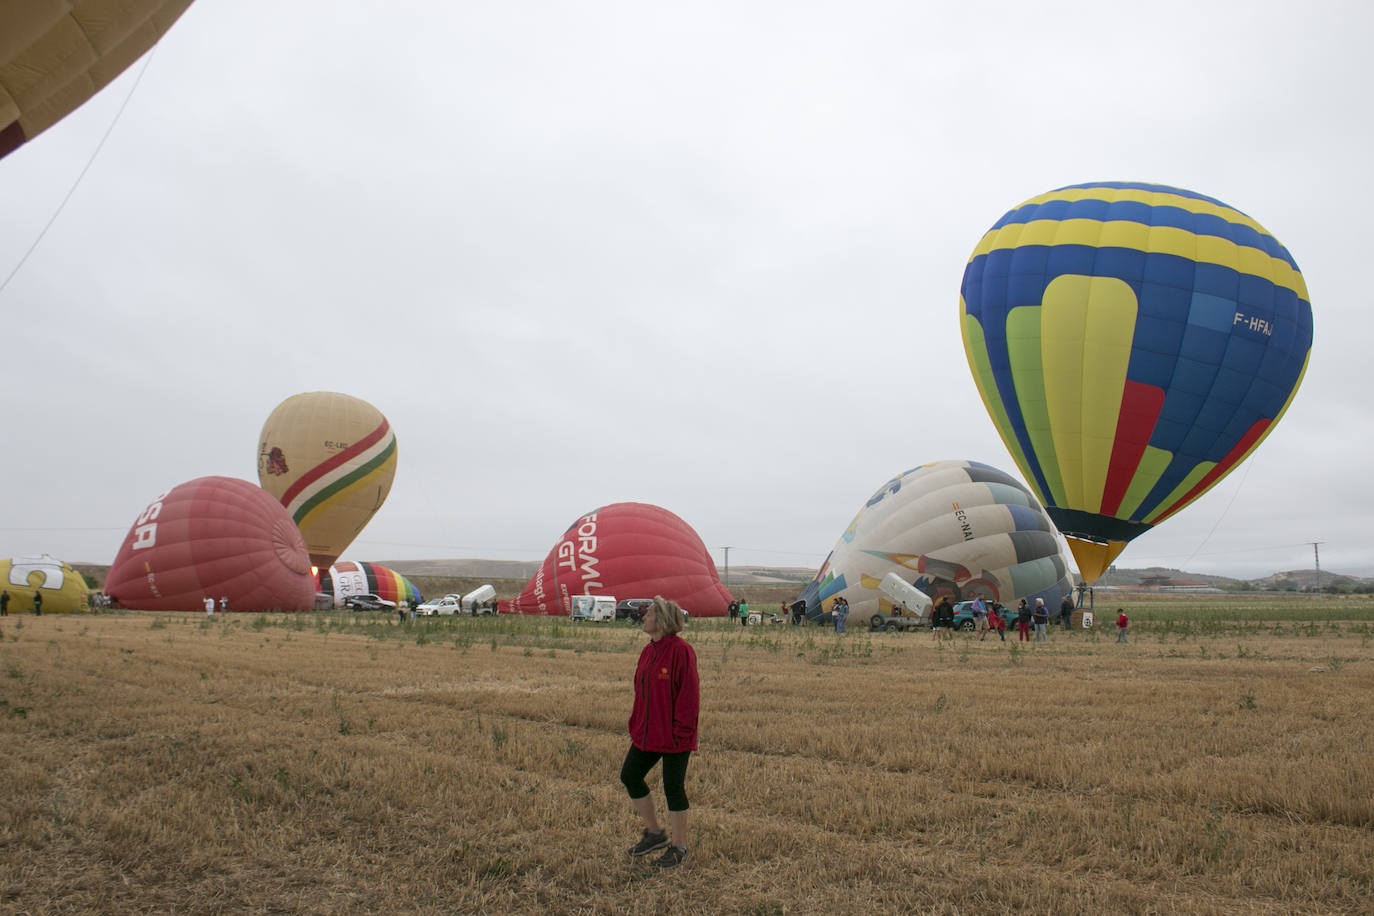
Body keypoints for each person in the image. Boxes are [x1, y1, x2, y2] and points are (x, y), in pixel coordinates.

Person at [621, 596, 699, 870]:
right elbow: (641, 693)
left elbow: (688, 696)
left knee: (673, 788)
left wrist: (683, 732)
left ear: (662, 620)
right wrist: (636, 722)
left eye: (649, 613)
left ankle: (678, 848)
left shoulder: (681, 651)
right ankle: (654, 834)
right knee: (630, 775)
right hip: (647, 732)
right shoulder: (648, 651)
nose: (643, 617)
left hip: (675, 735)